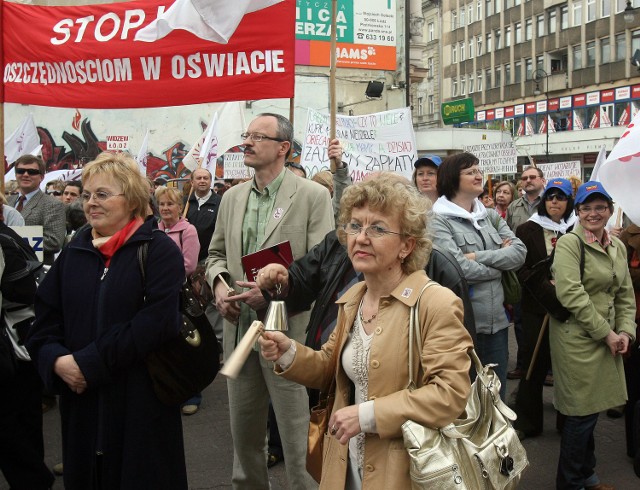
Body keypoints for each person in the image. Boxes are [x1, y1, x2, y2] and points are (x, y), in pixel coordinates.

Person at [256, 174, 473, 489]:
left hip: (407, 472)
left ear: (407, 245)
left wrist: (367, 415)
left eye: (378, 228)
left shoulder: (435, 302)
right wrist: (288, 352)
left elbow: (450, 395)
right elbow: (330, 367)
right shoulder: (353, 299)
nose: (361, 237)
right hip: (346, 466)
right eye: (355, 226)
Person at [26, 152, 188, 490]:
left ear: (130, 200)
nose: (90, 203)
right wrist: (57, 361)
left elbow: (156, 323)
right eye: (86, 195)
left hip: (140, 404)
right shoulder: (75, 252)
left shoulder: (158, 251)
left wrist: (87, 363)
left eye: (102, 194)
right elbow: (44, 319)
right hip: (81, 407)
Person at [205, 113, 333, 489]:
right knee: (244, 439)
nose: (247, 142)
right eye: (247, 135)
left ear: (283, 148)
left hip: (288, 334)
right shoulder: (231, 198)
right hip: (240, 332)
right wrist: (220, 287)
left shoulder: (313, 195)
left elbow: (321, 265)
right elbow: (214, 256)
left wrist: (277, 289)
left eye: (258, 136)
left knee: (297, 439)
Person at [550, 181, 636, 490]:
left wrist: (626, 330)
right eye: (586, 208)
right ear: (578, 212)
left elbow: (625, 294)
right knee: (580, 415)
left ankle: (587, 477)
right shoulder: (570, 244)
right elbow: (571, 294)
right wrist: (607, 334)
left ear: (611, 211)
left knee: (590, 412)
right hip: (576, 339)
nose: (593, 213)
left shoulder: (618, 246)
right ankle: (571, 483)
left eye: (600, 207)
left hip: (606, 337)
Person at [431, 152, 526, 399]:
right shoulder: (438, 220)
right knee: (468, 399)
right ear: (453, 178)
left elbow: (519, 253)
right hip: (463, 326)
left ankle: (499, 439)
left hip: (498, 324)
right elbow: (456, 269)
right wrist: (499, 265)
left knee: (496, 396)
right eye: (470, 171)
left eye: (478, 169)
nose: (478, 175)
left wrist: (478, 257)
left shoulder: (490, 216)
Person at [511, 179, 577, 439]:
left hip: (568, 309)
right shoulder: (527, 229)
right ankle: (528, 422)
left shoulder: (576, 229)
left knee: (566, 367)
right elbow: (520, 266)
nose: (554, 202)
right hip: (536, 307)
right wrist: (547, 290)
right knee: (533, 364)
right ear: (543, 201)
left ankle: (567, 422)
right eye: (550, 197)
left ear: (568, 201)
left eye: (560, 197)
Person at [0, 221, 54, 490]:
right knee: (24, 418)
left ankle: (34, 479)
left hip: (15, 345)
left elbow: (23, 290)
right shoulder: (9, 235)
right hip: (22, 342)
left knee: (14, 422)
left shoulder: (6, 240)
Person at [506, 166, 546, 380]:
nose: (528, 181)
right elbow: (508, 238)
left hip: (546, 273)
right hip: (521, 273)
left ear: (542, 179)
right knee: (521, 322)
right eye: (524, 178)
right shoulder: (514, 207)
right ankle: (523, 364)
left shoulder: (552, 201)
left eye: (532, 177)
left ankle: (548, 368)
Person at [8, 155, 66, 265]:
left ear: (41, 177)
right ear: (16, 175)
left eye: (32, 172)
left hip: (34, 270)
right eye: (21, 171)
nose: (25, 175)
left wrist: (13, 244)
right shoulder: (8, 202)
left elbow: (54, 242)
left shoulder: (53, 204)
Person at [620, 222, 640, 475]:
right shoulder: (628, 234)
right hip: (635, 314)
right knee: (635, 386)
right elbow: (621, 274)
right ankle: (634, 446)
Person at [156, 186, 200, 277]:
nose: (165, 208)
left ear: (180, 207)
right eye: (162, 204)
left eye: (170, 204)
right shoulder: (154, 230)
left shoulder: (188, 231)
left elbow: (189, 267)